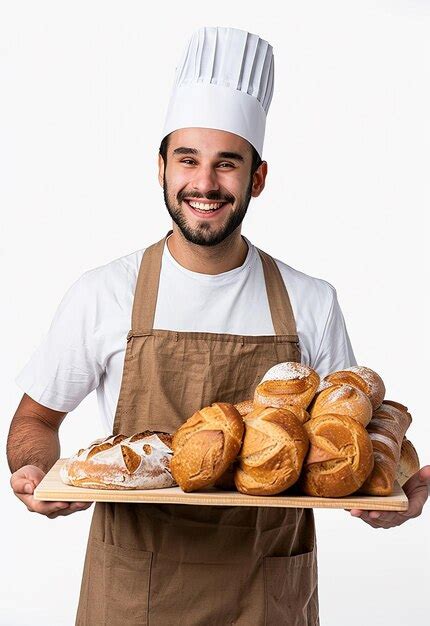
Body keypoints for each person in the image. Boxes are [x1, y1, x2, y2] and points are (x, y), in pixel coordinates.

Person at [7, 26, 430, 626]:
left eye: (226, 165)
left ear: (256, 178)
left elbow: (347, 436)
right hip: (133, 592)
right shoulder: (103, 293)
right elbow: (34, 423)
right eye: (187, 160)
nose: (204, 184)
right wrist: (33, 473)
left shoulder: (312, 301)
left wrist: (392, 496)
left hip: (268, 590)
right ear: (161, 168)